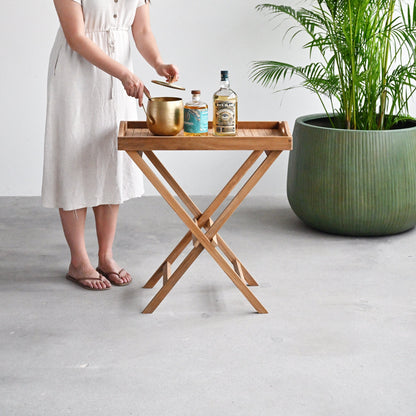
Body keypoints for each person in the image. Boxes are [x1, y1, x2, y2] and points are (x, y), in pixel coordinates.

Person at [41, 0, 179, 290]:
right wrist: (124, 74)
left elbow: (141, 31)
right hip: (76, 77)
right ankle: (79, 262)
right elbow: (76, 37)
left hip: (120, 78)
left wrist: (157, 62)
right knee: (73, 158)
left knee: (110, 157)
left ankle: (106, 256)